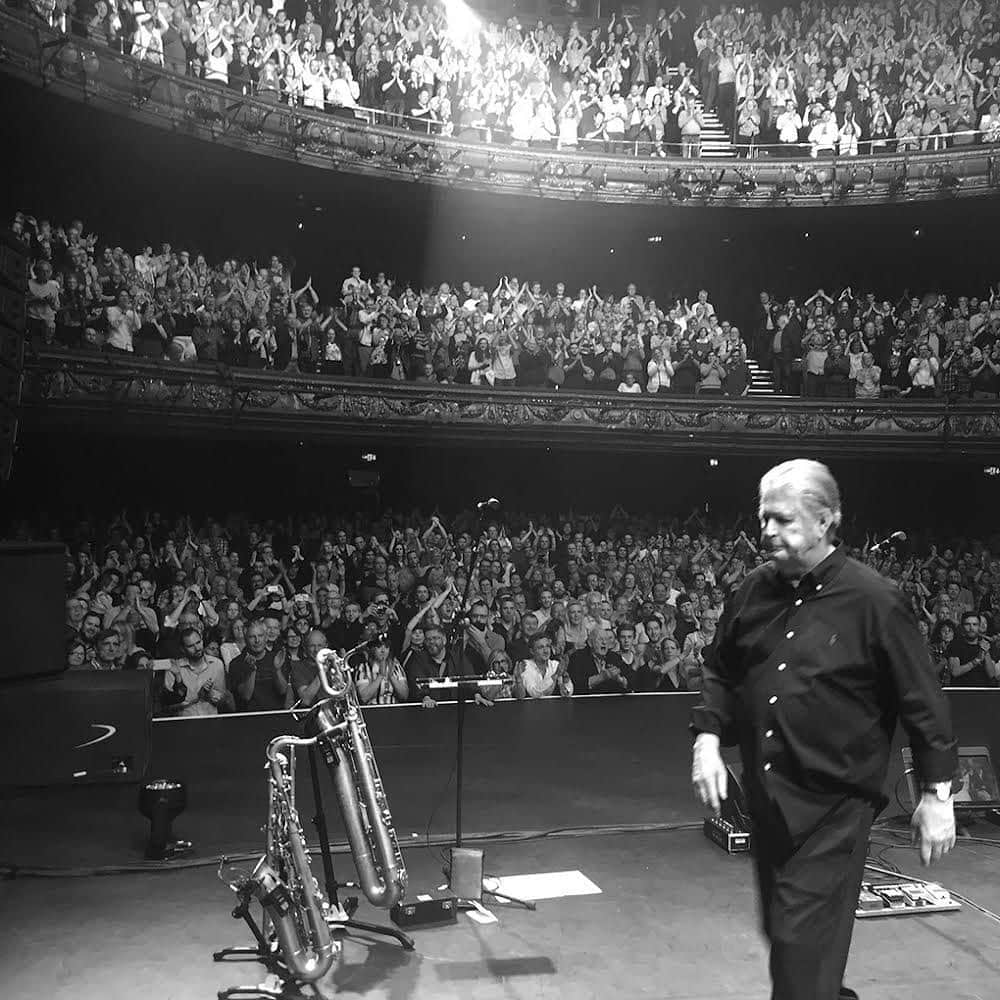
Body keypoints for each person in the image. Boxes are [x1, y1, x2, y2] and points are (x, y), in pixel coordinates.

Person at [690, 458, 958, 1000]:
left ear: (825, 521)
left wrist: (937, 796)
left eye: (784, 520)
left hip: (836, 806)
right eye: (764, 517)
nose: (767, 531)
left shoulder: (875, 601)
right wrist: (708, 738)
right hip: (770, 797)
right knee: (787, 938)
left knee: (799, 952)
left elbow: (923, 701)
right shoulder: (751, 592)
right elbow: (721, 668)